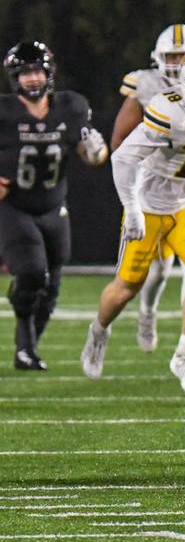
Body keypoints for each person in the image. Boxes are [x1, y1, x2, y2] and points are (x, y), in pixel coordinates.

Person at [80, 38, 185, 394]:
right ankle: (99, 329)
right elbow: (122, 158)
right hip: (152, 204)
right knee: (126, 288)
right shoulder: (168, 109)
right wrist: (132, 208)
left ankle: (184, 354)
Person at [0, 41, 108, 369]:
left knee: (52, 284)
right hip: (14, 206)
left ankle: (27, 348)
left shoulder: (70, 106)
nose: (32, 78)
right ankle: (25, 338)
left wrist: (96, 151)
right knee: (32, 271)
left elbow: (93, 154)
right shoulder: (4, 112)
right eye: (26, 72)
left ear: (49, 73)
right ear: (14, 77)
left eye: (37, 71)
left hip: (53, 205)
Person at [114, 24, 185, 361]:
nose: (178, 63)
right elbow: (120, 143)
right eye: (171, 56)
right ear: (157, 57)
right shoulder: (146, 84)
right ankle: (148, 311)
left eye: (183, 55)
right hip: (156, 182)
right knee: (159, 270)